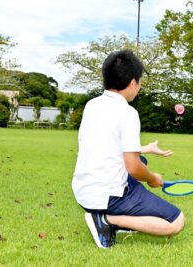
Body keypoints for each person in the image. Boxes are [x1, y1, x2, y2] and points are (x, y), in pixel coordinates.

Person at [72, 50, 185, 248]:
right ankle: (107, 220)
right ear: (133, 82)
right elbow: (132, 168)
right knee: (175, 222)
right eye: (140, 82)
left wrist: (145, 149)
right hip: (108, 195)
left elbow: (105, 144)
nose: (139, 87)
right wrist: (153, 179)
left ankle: (108, 215)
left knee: (143, 160)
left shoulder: (92, 105)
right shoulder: (128, 112)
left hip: (83, 191)